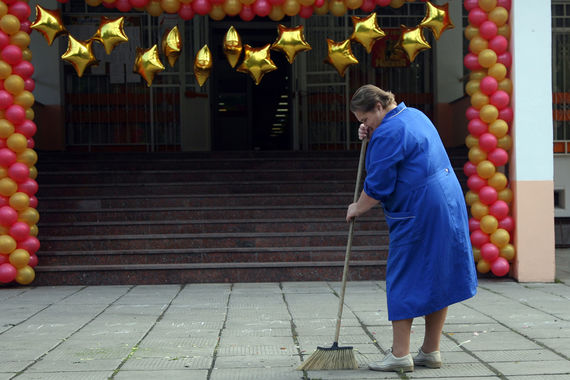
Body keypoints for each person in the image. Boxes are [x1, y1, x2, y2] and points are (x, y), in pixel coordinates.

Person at [346, 84, 478, 372]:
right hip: (447, 199)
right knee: (437, 273)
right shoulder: (414, 115)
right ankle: (430, 351)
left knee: (404, 274)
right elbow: (398, 147)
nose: (364, 125)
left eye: (364, 119)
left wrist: (357, 206)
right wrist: (371, 133)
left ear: (378, 107)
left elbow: (379, 183)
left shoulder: (388, 132)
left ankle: (399, 354)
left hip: (420, 208)